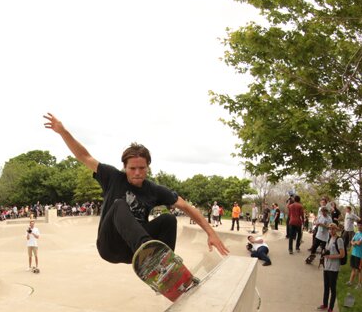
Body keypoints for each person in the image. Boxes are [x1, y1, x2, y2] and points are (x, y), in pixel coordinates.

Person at [43, 113, 229, 265]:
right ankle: (148, 251)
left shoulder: (154, 190)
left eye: (142, 168)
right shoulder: (112, 176)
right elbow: (84, 156)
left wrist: (211, 233)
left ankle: (163, 265)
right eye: (132, 168)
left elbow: (187, 207)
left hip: (132, 252)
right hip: (110, 246)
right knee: (119, 205)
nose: (138, 173)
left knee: (169, 219)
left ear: (148, 166)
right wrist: (63, 132)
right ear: (125, 167)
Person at [317, 223, 346, 312]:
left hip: (334, 268)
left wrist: (330, 256)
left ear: (336, 230)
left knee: (332, 288)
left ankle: (331, 308)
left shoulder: (339, 240)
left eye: (333, 229)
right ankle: (325, 304)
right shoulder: (329, 239)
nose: (331, 231)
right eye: (329, 229)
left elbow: (342, 255)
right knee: (326, 287)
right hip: (327, 266)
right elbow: (327, 250)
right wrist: (324, 254)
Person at [347, 220, 362, 288]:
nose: (359, 226)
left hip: (359, 256)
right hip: (354, 254)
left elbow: (359, 243)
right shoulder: (357, 233)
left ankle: (359, 285)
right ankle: (350, 282)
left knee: (359, 270)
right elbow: (351, 241)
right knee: (353, 269)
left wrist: (354, 243)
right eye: (358, 225)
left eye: (361, 225)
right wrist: (354, 242)